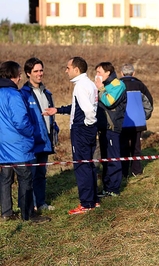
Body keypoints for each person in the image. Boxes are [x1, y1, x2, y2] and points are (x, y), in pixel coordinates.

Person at [44, 57, 99, 215]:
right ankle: (93, 200)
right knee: (88, 164)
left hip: (82, 130)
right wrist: (58, 110)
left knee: (81, 166)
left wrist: (88, 123)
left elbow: (88, 110)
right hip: (87, 129)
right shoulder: (89, 84)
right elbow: (78, 108)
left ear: (76, 69)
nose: (66, 70)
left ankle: (86, 204)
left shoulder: (80, 86)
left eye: (68, 67)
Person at [0, 61, 50, 223]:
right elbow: (21, 121)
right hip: (18, 146)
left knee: (6, 179)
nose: (21, 77)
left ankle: (6, 212)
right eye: (19, 74)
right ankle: (28, 214)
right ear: (12, 75)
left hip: (3, 146)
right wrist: (31, 134)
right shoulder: (14, 95)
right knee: (25, 179)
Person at [20, 57, 57, 211]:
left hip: (45, 139)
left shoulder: (47, 93)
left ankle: (40, 203)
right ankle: (30, 205)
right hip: (31, 140)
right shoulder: (23, 94)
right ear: (28, 73)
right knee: (30, 174)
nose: (39, 74)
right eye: (36, 71)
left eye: (41, 70)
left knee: (41, 173)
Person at [95, 62, 127, 197]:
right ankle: (106, 188)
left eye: (99, 72)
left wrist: (101, 89)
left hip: (112, 128)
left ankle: (113, 189)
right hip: (102, 128)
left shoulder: (117, 85)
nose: (97, 75)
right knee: (105, 159)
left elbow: (109, 101)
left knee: (113, 158)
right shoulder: (106, 85)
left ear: (108, 73)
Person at [119, 63, 153, 178]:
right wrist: (145, 116)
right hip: (138, 122)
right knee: (136, 147)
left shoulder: (117, 86)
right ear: (134, 73)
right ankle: (136, 171)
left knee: (122, 148)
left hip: (121, 122)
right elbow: (148, 103)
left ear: (121, 73)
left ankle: (123, 172)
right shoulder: (140, 85)